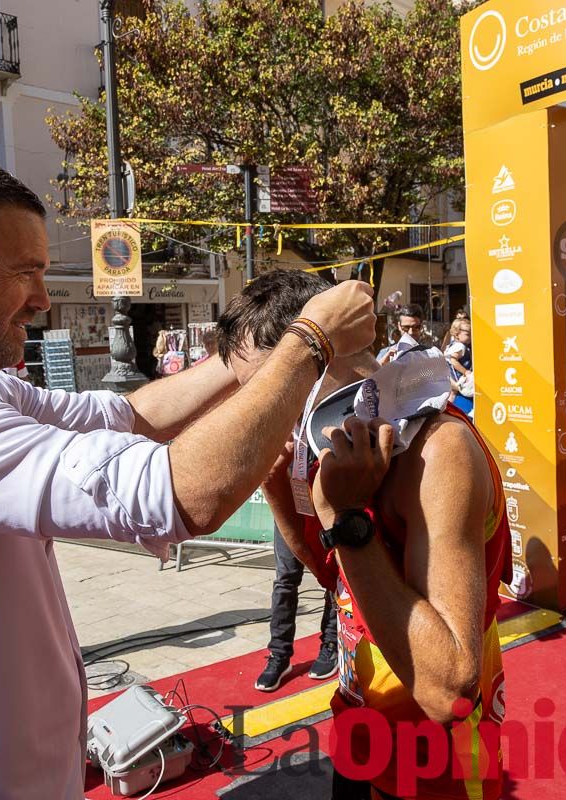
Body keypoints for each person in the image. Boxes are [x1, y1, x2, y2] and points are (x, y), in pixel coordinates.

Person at [0, 150, 378, 799]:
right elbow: (177, 494)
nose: (42, 297)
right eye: (25, 271)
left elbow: (125, 415)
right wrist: (309, 341)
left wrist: (243, 361)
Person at [218, 270, 511, 800]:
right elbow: (336, 578)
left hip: (436, 762)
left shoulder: (435, 451)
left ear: (320, 365)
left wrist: (344, 514)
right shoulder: (332, 443)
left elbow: (449, 687)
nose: (254, 412)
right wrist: (279, 487)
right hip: (361, 729)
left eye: (265, 389)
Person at [255, 527, 339, 692]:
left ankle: (331, 645)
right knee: (285, 580)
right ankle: (279, 655)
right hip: (289, 509)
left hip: (324, 511)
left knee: (332, 575)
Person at [443, 317, 474, 415]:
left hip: (451, 376)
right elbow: (453, 360)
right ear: (457, 334)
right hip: (458, 377)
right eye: (467, 334)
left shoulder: (453, 345)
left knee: (452, 395)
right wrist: (465, 371)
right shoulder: (460, 346)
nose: (470, 336)